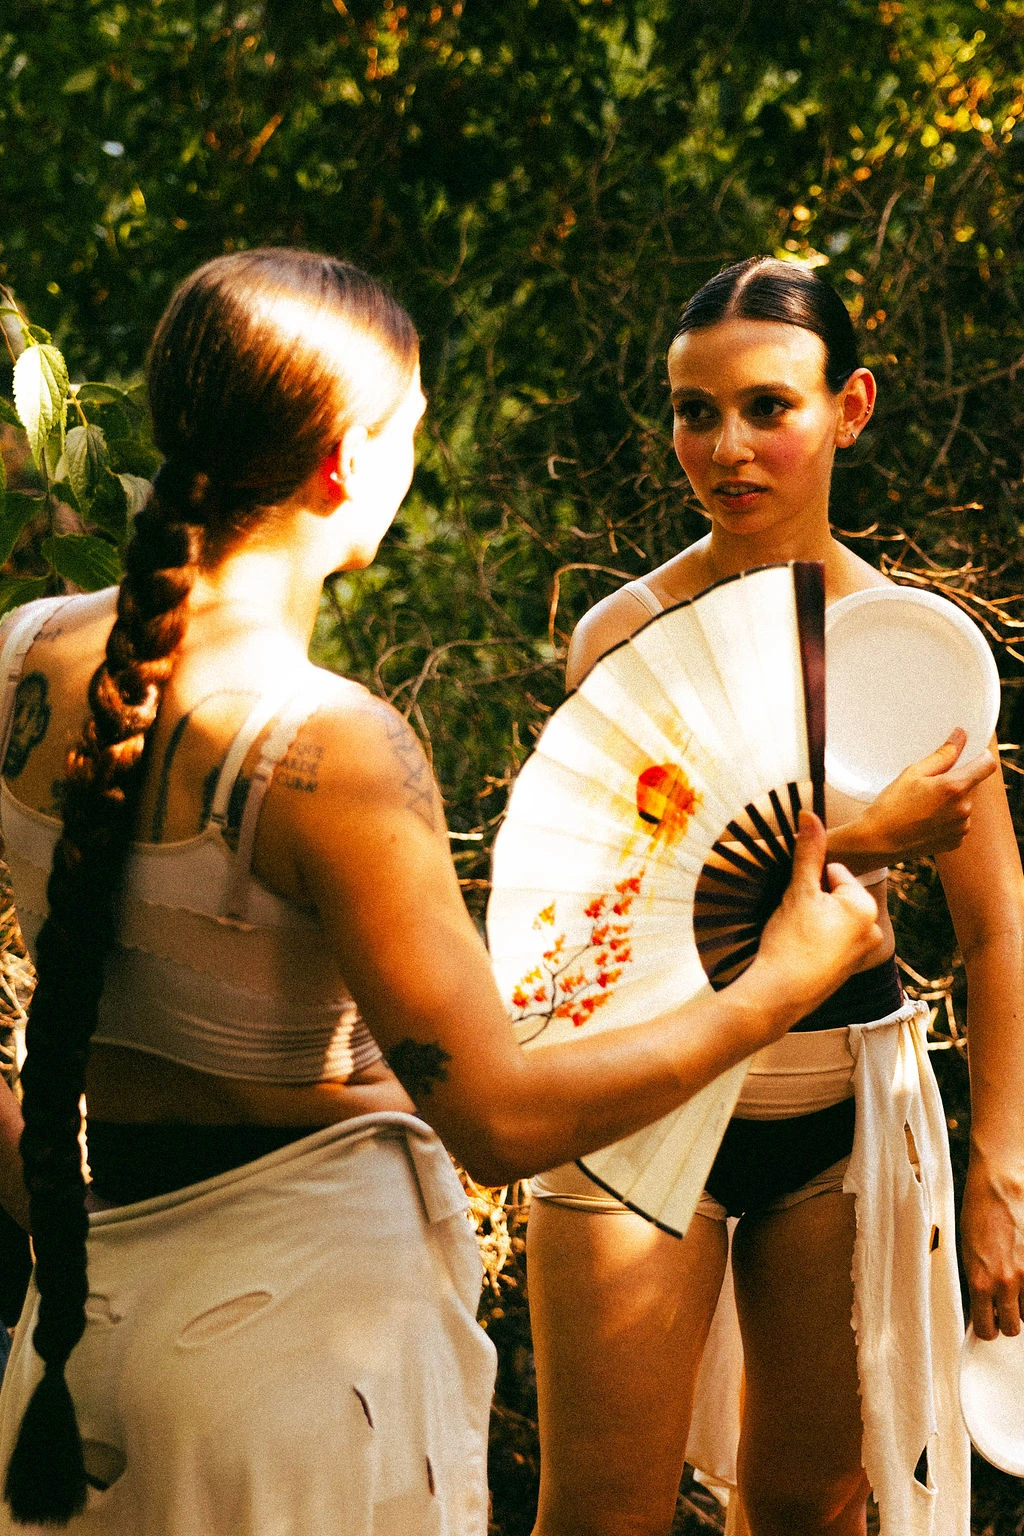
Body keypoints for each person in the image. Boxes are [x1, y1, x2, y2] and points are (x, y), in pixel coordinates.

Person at [0, 248, 880, 1534]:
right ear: (347, 462)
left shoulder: (24, 655)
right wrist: (782, 985)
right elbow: (503, 1122)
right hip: (290, 1371)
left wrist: (46, 1199)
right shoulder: (326, 751)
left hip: (83, 1329)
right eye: (412, 429)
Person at [526, 256, 1024, 1536]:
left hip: (837, 1127)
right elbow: (619, 913)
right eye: (695, 412)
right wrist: (868, 837)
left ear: (850, 408)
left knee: (812, 1508)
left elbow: (995, 922)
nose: (726, 448)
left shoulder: (914, 648)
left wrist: (1000, 1165)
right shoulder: (621, 636)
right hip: (643, 1114)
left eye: (767, 408)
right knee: (601, 1514)